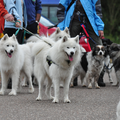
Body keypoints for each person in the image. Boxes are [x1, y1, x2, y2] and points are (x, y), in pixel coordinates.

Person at [57, 0, 105, 87]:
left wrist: (100, 27)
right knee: (69, 47)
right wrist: (61, 26)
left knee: (98, 44)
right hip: (73, 20)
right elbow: (61, 7)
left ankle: (99, 77)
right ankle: (71, 78)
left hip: (90, 20)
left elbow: (98, 9)